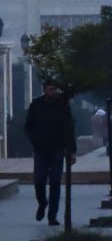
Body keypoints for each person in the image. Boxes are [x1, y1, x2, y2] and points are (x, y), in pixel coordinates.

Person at [24, 81, 77, 225]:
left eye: (55, 89)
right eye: (50, 89)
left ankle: (52, 216)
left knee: (55, 182)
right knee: (39, 180)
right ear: (44, 90)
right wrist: (34, 140)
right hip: (40, 150)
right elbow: (28, 126)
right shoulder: (36, 105)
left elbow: (69, 127)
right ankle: (42, 203)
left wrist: (72, 150)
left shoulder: (62, 105)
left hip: (57, 150)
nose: (53, 92)